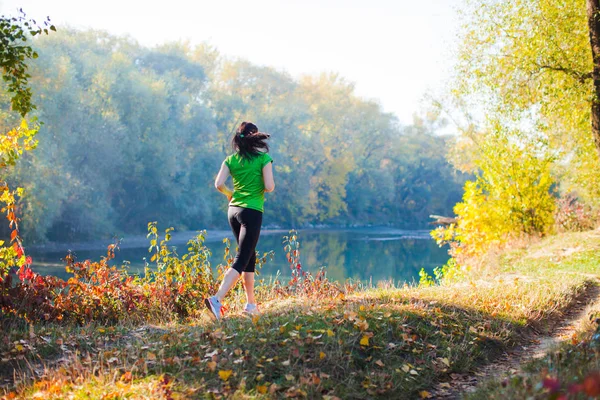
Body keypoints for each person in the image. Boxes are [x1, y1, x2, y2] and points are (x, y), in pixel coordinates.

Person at [205, 122, 275, 320]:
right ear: (255, 137)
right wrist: (261, 183)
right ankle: (216, 299)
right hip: (251, 211)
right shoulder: (263, 159)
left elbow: (218, 184)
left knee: (249, 256)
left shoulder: (231, 160)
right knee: (242, 258)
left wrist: (230, 194)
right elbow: (269, 187)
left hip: (233, 211)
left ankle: (251, 304)